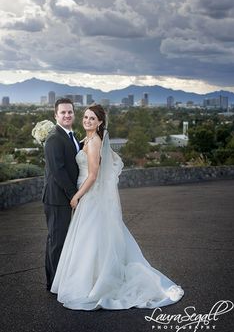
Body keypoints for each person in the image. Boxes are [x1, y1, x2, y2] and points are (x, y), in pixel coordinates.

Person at [51, 104, 184, 310]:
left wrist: (76, 196)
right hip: (88, 195)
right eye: (86, 117)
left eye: (92, 119)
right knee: (91, 240)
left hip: (89, 195)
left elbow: (94, 175)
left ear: (100, 122)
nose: (87, 121)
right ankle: (91, 278)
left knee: (90, 239)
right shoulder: (86, 139)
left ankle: (95, 283)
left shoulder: (94, 142)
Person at [42, 98, 80, 291]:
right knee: (57, 242)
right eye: (63, 112)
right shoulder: (54, 138)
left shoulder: (69, 135)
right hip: (57, 199)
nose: (67, 115)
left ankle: (59, 280)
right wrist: (74, 195)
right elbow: (59, 171)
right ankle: (54, 284)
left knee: (62, 240)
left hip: (65, 198)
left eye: (70, 112)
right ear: (55, 115)